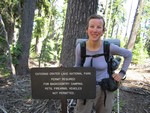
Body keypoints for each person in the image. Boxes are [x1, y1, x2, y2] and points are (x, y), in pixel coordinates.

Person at [74, 14, 132, 113]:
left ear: (103, 31)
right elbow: (78, 66)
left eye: (99, 27)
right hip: (86, 88)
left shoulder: (108, 47)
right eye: (92, 26)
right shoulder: (81, 48)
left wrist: (121, 73)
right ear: (87, 30)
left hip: (104, 90)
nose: (95, 30)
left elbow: (128, 54)